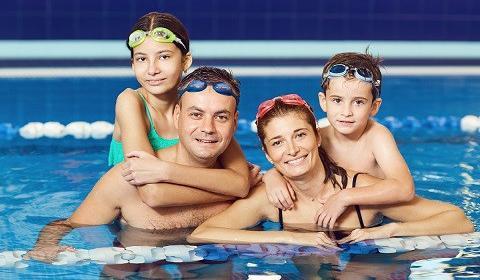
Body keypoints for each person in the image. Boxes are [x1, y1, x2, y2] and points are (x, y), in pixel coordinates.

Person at [26, 67, 249, 262]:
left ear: (235, 122)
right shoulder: (125, 181)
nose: (207, 128)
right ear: (178, 115)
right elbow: (66, 224)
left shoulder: (250, 180)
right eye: (196, 114)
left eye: (221, 117)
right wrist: (44, 245)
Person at [189, 94, 474, 247]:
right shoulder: (270, 199)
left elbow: (459, 221)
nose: (291, 150)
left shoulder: (360, 191)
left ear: (317, 137)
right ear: (266, 153)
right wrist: (289, 237)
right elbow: (200, 234)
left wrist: (390, 231)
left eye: (300, 135)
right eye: (278, 142)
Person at [109, 12, 253, 207]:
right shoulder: (130, 101)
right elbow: (152, 194)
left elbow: (240, 183)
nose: (152, 70)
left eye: (164, 57)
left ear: (186, 61)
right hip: (129, 216)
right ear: (133, 65)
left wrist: (164, 170)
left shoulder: (198, 108)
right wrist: (228, 191)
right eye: (142, 59)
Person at [263, 51, 415, 229]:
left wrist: (345, 197)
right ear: (323, 101)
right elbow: (291, 160)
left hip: (374, 222)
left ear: (374, 107)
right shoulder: (319, 137)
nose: (346, 112)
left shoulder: (377, 137)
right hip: (329, 217)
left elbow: (405, 189)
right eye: (337, 100)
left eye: (358, 102)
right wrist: (271, 176)